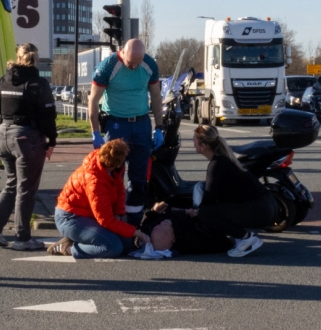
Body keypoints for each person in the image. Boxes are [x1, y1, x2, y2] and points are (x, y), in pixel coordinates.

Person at [0, 43, 57, 251]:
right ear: (36, 58)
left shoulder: (3, 80)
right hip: (26, 138)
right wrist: (51, 140)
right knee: (26, 189)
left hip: (2, 134)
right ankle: (23, 238)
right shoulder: (38, 83)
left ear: (18, 56)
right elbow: (48, 116)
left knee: (12, 183)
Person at [87, 39, 163, 224]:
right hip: (116, 123)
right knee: (113, 175)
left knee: (138, 178)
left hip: (141, 123)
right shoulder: (108, 66)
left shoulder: (149, 64)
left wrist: (159, 127)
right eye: (131, 63)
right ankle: (112, 218)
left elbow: (155, 96)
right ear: (122, 52)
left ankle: (133, 221)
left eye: (138, 62)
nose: (134, 66)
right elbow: (93, 100)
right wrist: (95, 132)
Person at [47, 139, 152, 258]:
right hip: (71, 218)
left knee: (126, 246)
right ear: (116, 163)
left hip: (89, 216)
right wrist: (137, 233)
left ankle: (82, 238)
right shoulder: (95, 181)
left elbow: (119, 191)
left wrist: (120, 214)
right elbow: (105, 220)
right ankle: (68, 248)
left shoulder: (109, 168)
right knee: (112, 247)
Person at [191, 125, 277, 257]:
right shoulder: (223, 159)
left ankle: (247, 237)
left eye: (194, 141)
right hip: (265, 206)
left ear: (204, 146)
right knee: (208, 205)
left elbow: (209, 200)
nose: (193, 144)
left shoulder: (217, 165)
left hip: (259, 210)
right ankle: (240, 236)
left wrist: (194, 212)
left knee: (205, 213)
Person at [138, 202, 234, 255]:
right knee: (199, 187)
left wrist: (153, 212)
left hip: (173, 205)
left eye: (158, 226)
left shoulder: (153, 229)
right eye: (165, 227)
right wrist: (199, 216)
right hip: (201, 209)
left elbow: (142, 227)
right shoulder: (191, 239)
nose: (162, 223)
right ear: (173, 239)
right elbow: (224, 243)